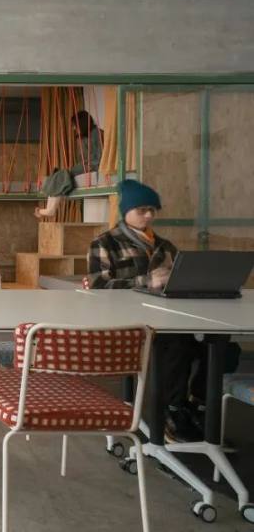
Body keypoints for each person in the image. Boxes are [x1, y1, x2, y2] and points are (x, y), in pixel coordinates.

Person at [86, 179, 239, 442]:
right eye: (142, 210)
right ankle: (172, 413)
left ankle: (197, 406)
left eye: (152, 210)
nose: (148, 215)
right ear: (126, 210)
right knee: (176, 344)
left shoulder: (165, 245)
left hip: (168, 319)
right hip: (128, 324)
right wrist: (146, 281)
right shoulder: (105, 243)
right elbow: (98, 285)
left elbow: (181, 280)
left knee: (221, 345)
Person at [35, 110, 103, 218]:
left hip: (93, 165)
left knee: (62, 174)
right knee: (60, 174)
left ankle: (50, 208)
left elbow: (99, 156)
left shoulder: (96, 133)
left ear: (81, 123)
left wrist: (86, 166)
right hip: (86, 165)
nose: (74, 128)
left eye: (75, 125)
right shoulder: (83, 137)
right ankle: (49, 207)